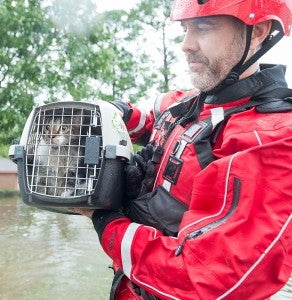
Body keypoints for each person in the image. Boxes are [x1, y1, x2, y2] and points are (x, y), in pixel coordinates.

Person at [71, 0, 292, 299]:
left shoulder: (270, 140)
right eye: (185, 29)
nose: (186, 45)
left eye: (203, 27)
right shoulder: (188, 102)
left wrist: (104, 220)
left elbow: (204, 279)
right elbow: (156, 124)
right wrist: (119, 113)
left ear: (257, 31)